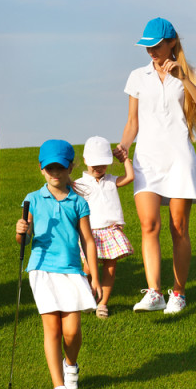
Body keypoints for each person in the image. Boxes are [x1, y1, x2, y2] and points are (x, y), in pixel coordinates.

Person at [115, 17, 196, 315]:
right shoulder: (137, 76)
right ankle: (154, 292)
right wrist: (124, 145)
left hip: (179, 158)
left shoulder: (190, 73)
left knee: (179, 227)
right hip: (147, 159)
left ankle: (178, 293)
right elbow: (133, 122)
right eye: (147, 47)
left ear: (172, 43)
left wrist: (183, 77)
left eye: (156, 46)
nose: (151, 52)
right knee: (148, 225)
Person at [16, 139, 102, 389]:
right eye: (50, 168)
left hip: (72, 271)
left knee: (72, 332)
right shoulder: (32, 200)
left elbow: (88, 240)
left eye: (60, 168)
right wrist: (22, 232)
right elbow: (25, 240)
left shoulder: (78, 202)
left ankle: (71, 365)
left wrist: (95, 277)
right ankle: (59, 387)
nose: (55, 173)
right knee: (52, 328)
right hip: (41, 270)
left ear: (71, 167)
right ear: (41, 169)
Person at [74, 136, 134, 319]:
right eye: (94, 164)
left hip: (110, 229)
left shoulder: (111, 180)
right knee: (88, 269)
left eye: (102, 164)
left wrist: (124, 160)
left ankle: (102, 303)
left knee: (110, 267)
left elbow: (130, 177)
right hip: (89, 232)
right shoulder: (79, 183)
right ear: (85, 161)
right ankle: (86, 298)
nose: (97, 168)